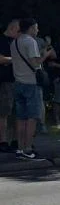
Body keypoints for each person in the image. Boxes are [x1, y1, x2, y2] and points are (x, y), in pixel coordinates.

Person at [10, 18, 46, 159]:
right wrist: (45, 55)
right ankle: (28, 148)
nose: (37, 30)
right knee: (32, 117)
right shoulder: (30, 42)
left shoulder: (15, 42)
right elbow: (35, 63)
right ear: (30, 28)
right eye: (36, 28)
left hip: (18, 82)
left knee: (20, 117)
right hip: (30, 83)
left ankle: (20, 148)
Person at [0, 18, 18, 154]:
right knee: (4, 112)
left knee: (17, 113)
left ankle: (15, 140)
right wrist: (17, 59)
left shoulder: (16, 42)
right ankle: (3, 141)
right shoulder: (2, 41)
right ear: (12, 28)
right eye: (18, 31)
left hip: (17, 80)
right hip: (5, 80)